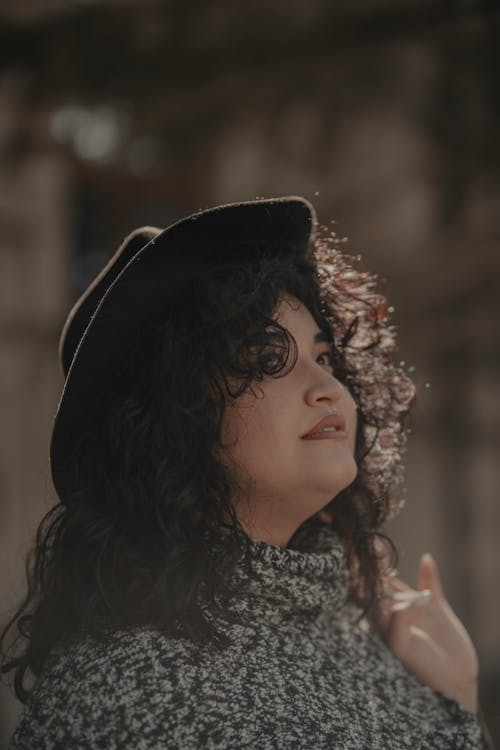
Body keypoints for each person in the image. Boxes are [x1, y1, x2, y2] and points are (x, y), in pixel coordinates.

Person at [1, 197, 494, 749]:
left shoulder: (364, 640)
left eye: (325, 358)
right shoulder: (132, 689)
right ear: (171, 420)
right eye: (266, 360)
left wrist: (455, 696)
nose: (327, 387)